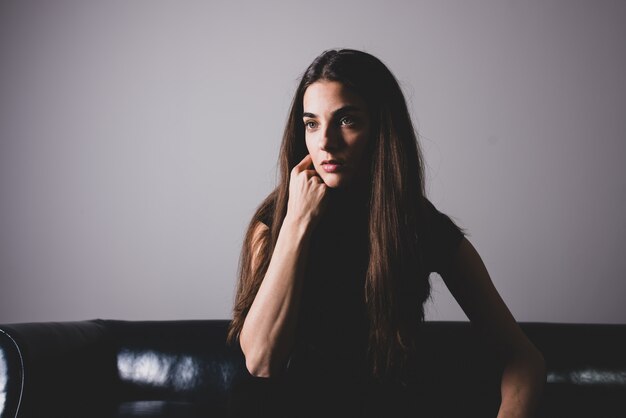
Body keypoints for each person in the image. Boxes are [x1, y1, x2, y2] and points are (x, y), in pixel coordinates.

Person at [227, 49, 545, 417]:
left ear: (381, 128)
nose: (326, 141)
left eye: (347, 120)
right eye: (312, 123)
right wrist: (297, 223)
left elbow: (524, 358)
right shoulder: (273, 222)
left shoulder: (417, 225)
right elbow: (261, 360)